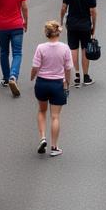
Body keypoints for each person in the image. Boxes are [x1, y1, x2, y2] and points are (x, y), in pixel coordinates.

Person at [30, 20, 73, 156]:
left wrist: (32, 77)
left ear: (46, 33)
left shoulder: (41, 48)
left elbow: (35, 66)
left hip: (42, 82)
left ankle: (42, 137)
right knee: (55, 116)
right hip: (57, 84)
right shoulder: (65, 48)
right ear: (59, 32)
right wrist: (67, 82)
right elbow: (68, 68)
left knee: (42, 111)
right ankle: (54, 147)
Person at [61, 0, 97, 87]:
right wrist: (93, 26)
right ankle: (86, 76)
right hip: (85, 25)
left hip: (72, 24)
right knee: (85, 50)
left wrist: (61, 21)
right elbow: (93, 12)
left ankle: (76, 75)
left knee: (73, 49)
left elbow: (63, 8)